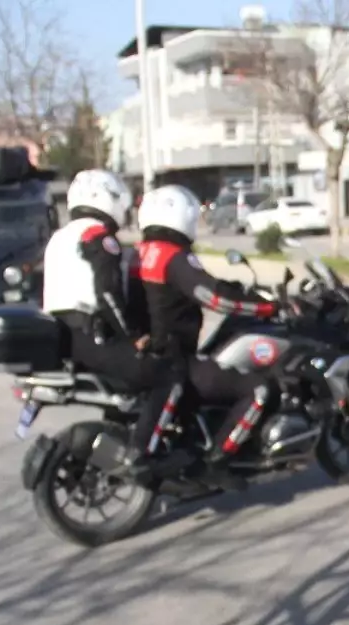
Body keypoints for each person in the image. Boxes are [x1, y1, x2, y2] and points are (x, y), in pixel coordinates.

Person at [123, 184, 284, 487]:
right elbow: (215, 299)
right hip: (175, 357)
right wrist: (268, 307)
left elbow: (198, 286)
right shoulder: (173, 255)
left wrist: (234, 286)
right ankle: (218, 461)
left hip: (152, 352)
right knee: (259, 390)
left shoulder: (141, 253)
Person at [41, 169, 152, 384]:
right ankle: (150, 420)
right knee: (167, 372)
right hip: (91, 337)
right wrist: (132, 336)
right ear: (107, 198)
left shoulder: (61, 236)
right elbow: (108, 292)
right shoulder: (97, 236)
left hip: (64, 336)